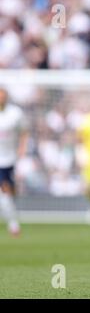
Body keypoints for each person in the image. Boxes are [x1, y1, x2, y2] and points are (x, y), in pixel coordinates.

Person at [0, 87, 28, 237]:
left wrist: (22, 148)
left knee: (10, 192)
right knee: (4, 190)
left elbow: (24, 131)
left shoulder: (15, 113)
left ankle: (12, 218)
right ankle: (13, 225)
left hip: (10, 159)